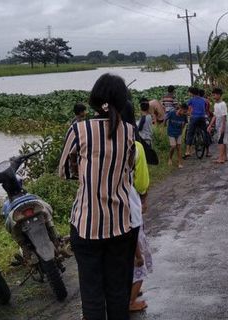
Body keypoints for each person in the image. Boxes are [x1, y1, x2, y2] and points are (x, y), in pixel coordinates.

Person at [59, 73, 138, 320]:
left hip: (86, 225)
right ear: (122, 100)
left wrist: (84, 173)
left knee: (92, 295)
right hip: (121, 223)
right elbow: (130, 170)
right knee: (117, 292)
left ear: (95, 100)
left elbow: (64, 171)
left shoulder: (79, 129)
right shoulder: (129, 131)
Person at [129, 140, 153, 312]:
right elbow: (142, 182)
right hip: (131, 212)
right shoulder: (134, 146)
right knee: (138, 262)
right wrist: (144, 198)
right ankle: (130, 302)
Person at [184, 87, 208, 158]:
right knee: (205, 132)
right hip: (202, 117)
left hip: (194, 117)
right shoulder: (204, 100)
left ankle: (187, 151)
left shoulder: (191, 100)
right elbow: (205, 107)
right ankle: (207, 151)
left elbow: (186, 107)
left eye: (189, 92)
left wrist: (187, 112)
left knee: (190, 133)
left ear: (191, 93)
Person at [208, 88, 228, 164]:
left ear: (219, 95)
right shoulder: (216, 104)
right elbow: (215, 115)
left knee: (221, 141)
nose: (213, 97)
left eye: (215, 95)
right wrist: (210, 125)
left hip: (223, 125)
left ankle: (221, 158)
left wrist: (223, 127)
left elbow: (224, 116)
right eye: (213, 95)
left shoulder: (222, 104)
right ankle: (225, 156)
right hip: (219, 124)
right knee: (223, 141)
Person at [166, 103, 188, 168]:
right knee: (173, 146)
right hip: (171, 132)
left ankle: (180, 162)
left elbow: (185, 123)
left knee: (179, 147)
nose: (185, 113)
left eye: (185, 112)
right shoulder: (172, 113)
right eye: (184, 111)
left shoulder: (184, 116)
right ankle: (170, 158)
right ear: (180, 109)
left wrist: (182, 129)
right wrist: (163, 125)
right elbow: (165, 118)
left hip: (179, 133)